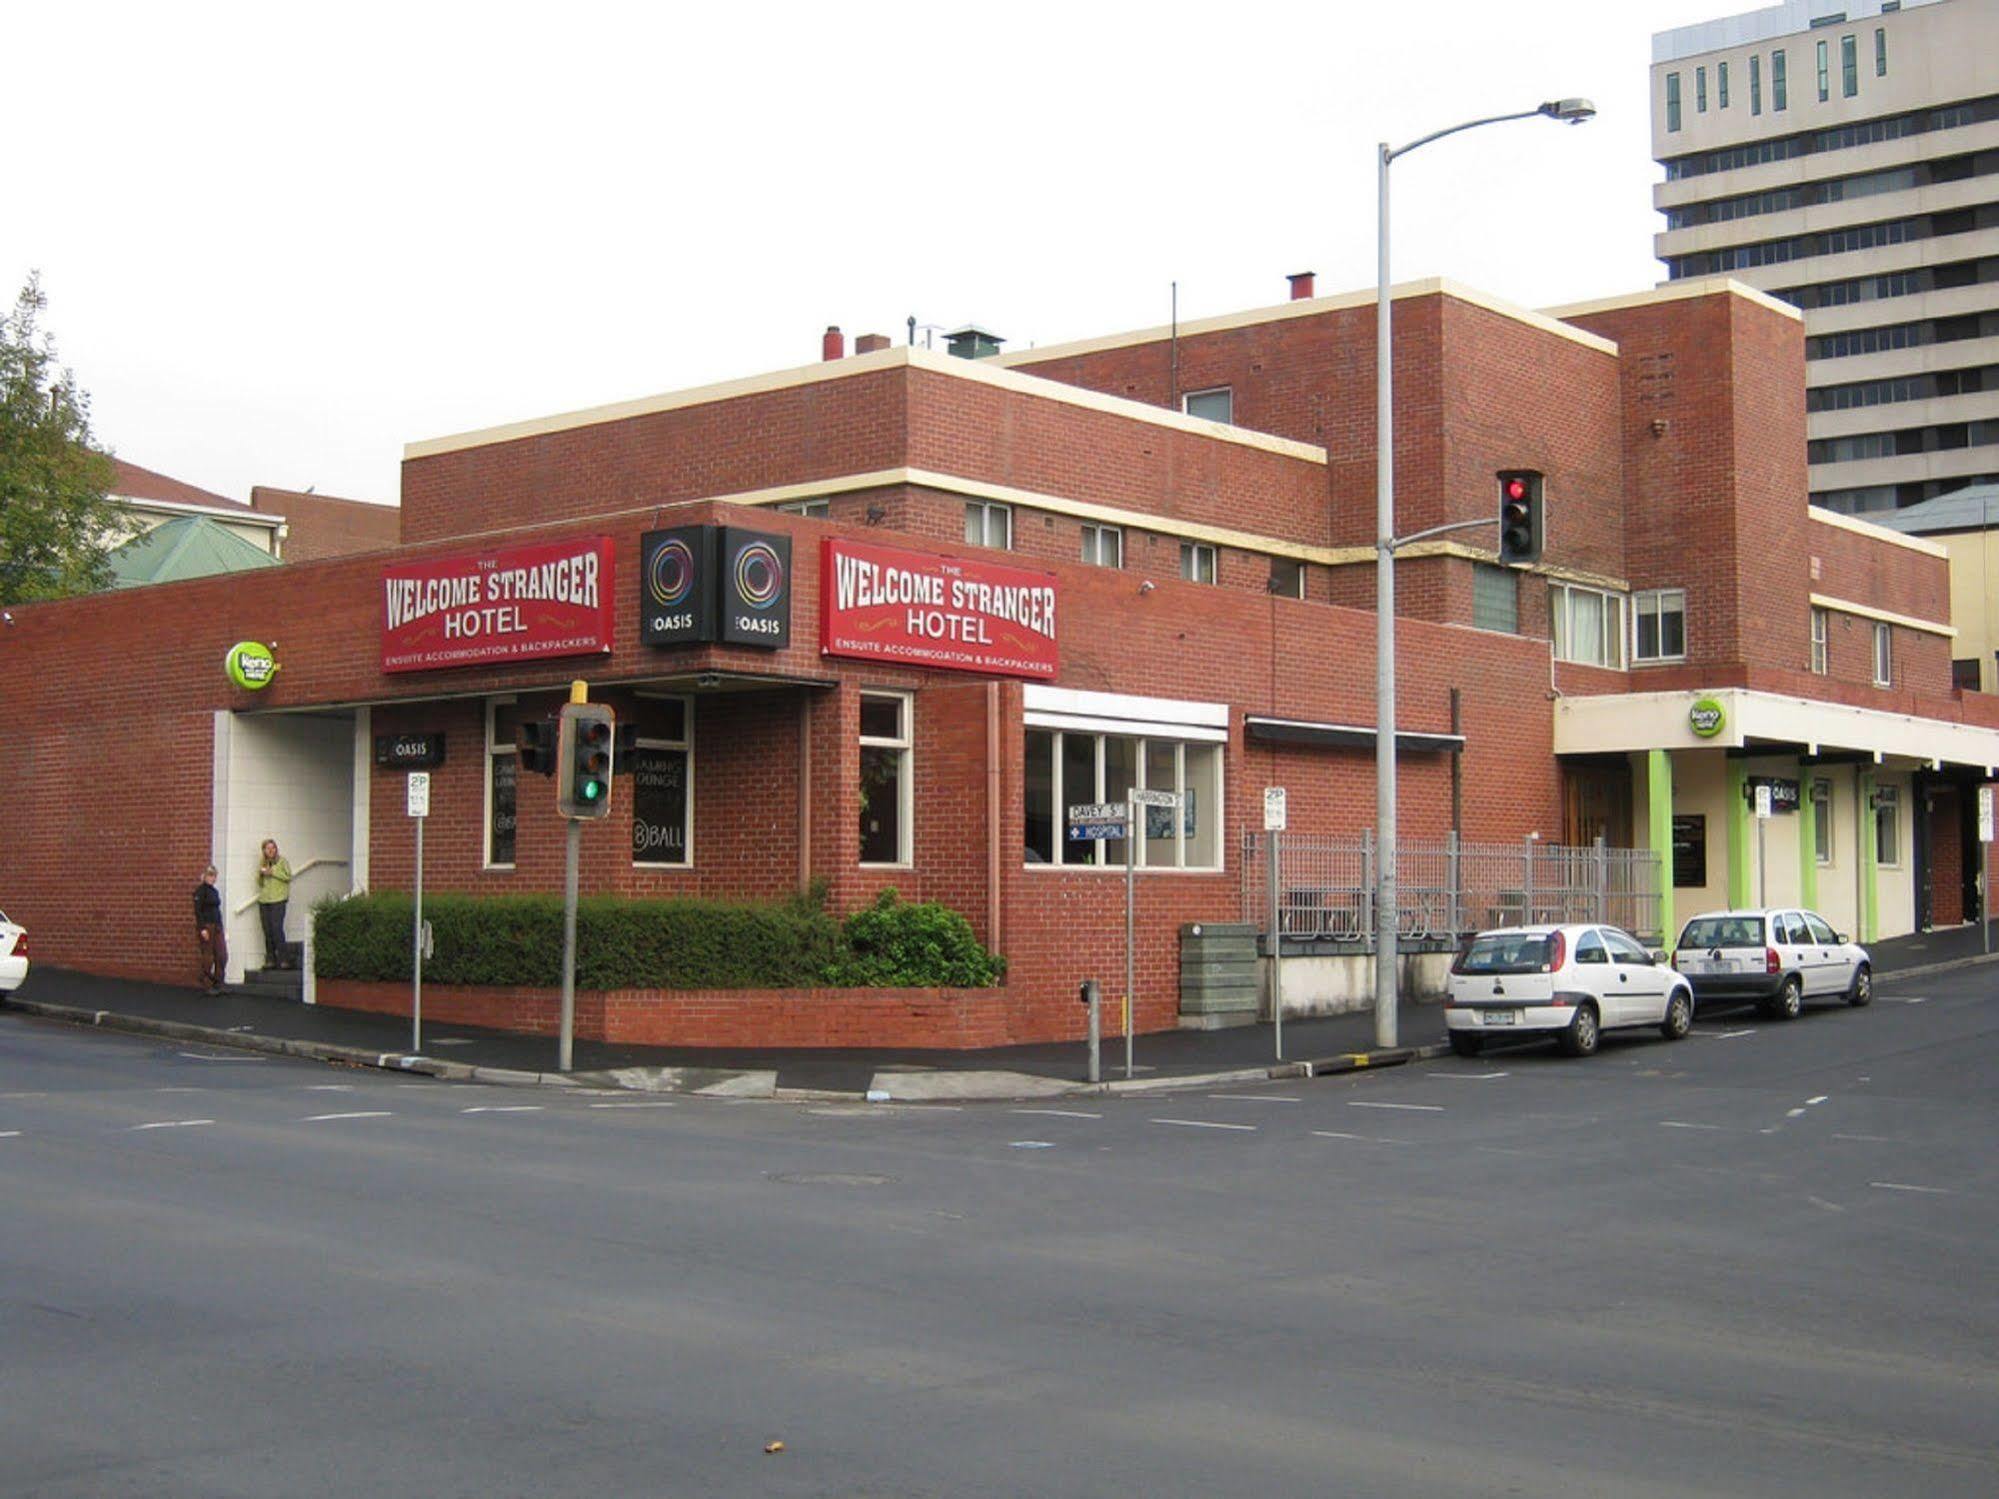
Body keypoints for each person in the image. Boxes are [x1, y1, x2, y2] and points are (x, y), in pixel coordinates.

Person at [256, 839, 294, 970]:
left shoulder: (282, 861)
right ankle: (270, 959)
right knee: (267, 931)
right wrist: (262, 874)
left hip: (278, 899)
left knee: (277, 929)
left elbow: (288, 876)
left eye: (273, 848)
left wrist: (273, 872)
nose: (271, 850)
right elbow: (259, 883)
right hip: (264, 900)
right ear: (264, 851)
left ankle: (284, 959)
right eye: (268, 848)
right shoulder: (263, 863)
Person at [193, 865, 226, 995]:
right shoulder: (200, 892)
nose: (212, 878)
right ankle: (206, 983)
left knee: (222, 954)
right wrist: (202, 928)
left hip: (217, 925)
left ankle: (219, 981)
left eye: (214, 875)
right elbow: (198, 911)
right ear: (204, 876)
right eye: (210, 875)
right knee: (208, 956)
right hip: (207, 926)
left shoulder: (214, 891)